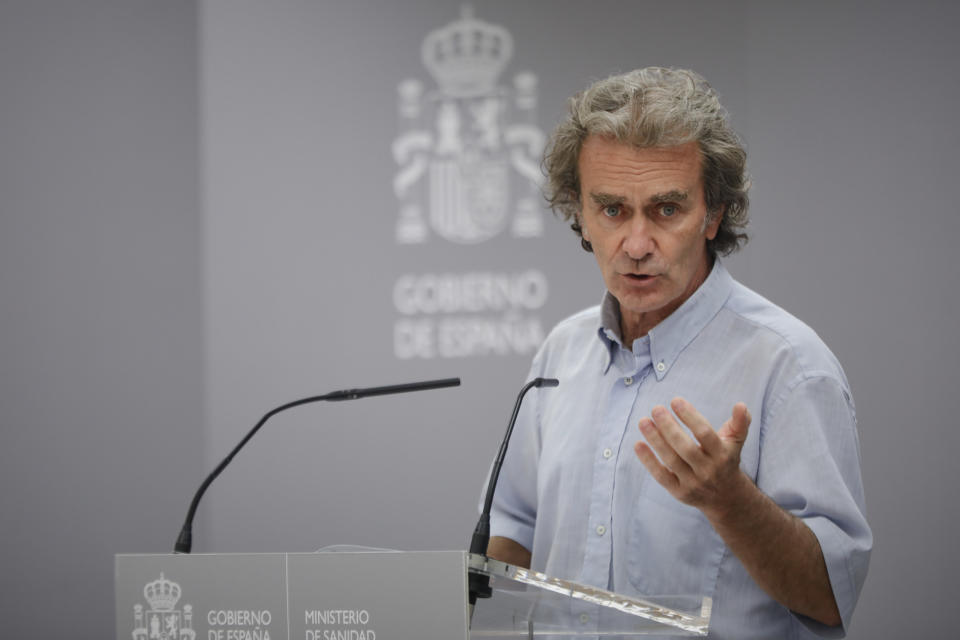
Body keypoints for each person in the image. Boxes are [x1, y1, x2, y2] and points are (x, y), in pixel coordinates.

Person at [486, 68, 871, 639]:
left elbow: (829, 596)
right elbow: (514, 526)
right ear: (581, 215)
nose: (636, 245)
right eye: (612, 209)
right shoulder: (560, 354)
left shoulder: (788, 365)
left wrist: (730, 502)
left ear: (713, 214)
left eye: (666, 209)